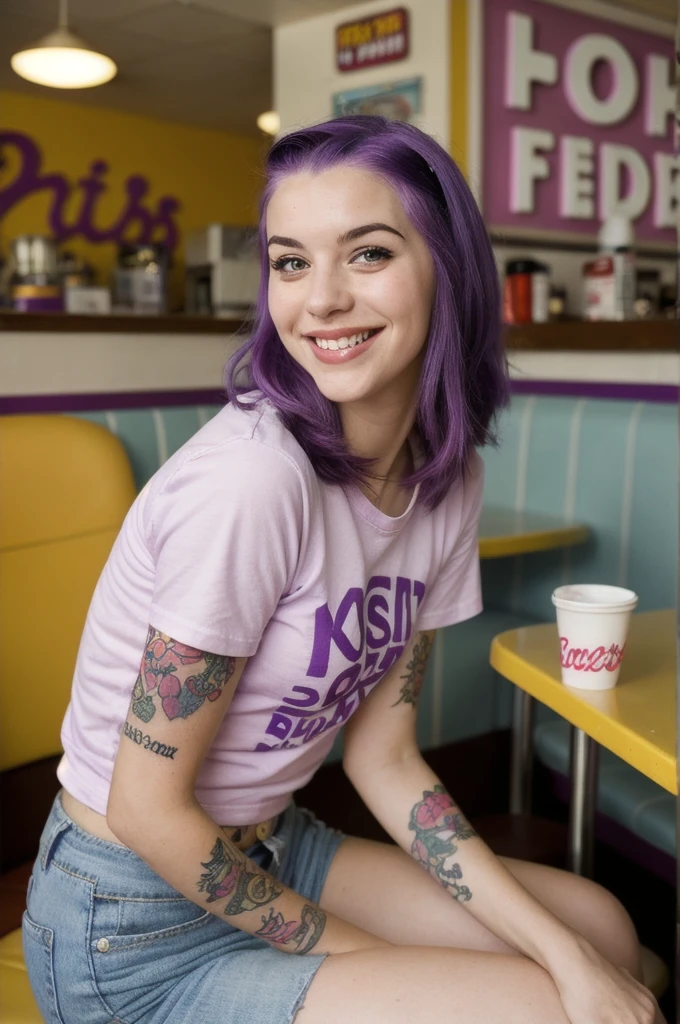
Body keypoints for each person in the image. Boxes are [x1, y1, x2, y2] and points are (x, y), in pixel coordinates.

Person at [23, 115, 662, 1024]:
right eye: (290, 262)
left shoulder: (446, 478)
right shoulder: (250, 481)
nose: (318, 300)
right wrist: (386, 956)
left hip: (275, 846)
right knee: (538, 1007)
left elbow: (386, 755)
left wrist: (563, 953)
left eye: (366, 254)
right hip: (126, 920)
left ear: (449, 268)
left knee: (598, 929)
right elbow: (144, 808)